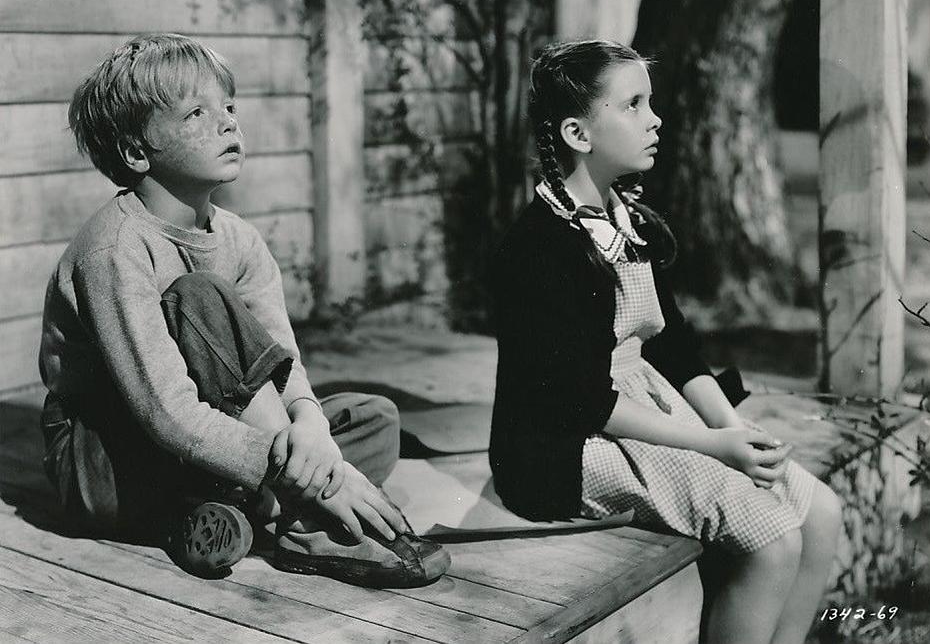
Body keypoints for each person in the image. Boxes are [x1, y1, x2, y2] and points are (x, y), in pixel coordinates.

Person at [39, 33, 450, 587]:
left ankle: (228, 508)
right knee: (198, 296)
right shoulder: (114, 250)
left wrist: (311, 426)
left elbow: (284, 366)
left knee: (376, 419)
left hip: (197, 448)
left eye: (229, 107)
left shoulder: (241, 240)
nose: (228, 123)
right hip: (106, 459)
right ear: (136, 151)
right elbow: (167, 415)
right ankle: (301, 519)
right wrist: (319, 476)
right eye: (196, 113)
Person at [489, 40, 842, 644]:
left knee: (823, 513)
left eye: (649, 102)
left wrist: (733, 430)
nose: (655, 120)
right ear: (577, 133)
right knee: (774, 539)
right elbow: (581, 399)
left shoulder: (625, 219)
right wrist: (711, 445)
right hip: (564, 446)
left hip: (639, 406)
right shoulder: (539, 248)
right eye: (633, 105)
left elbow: (671, 343)